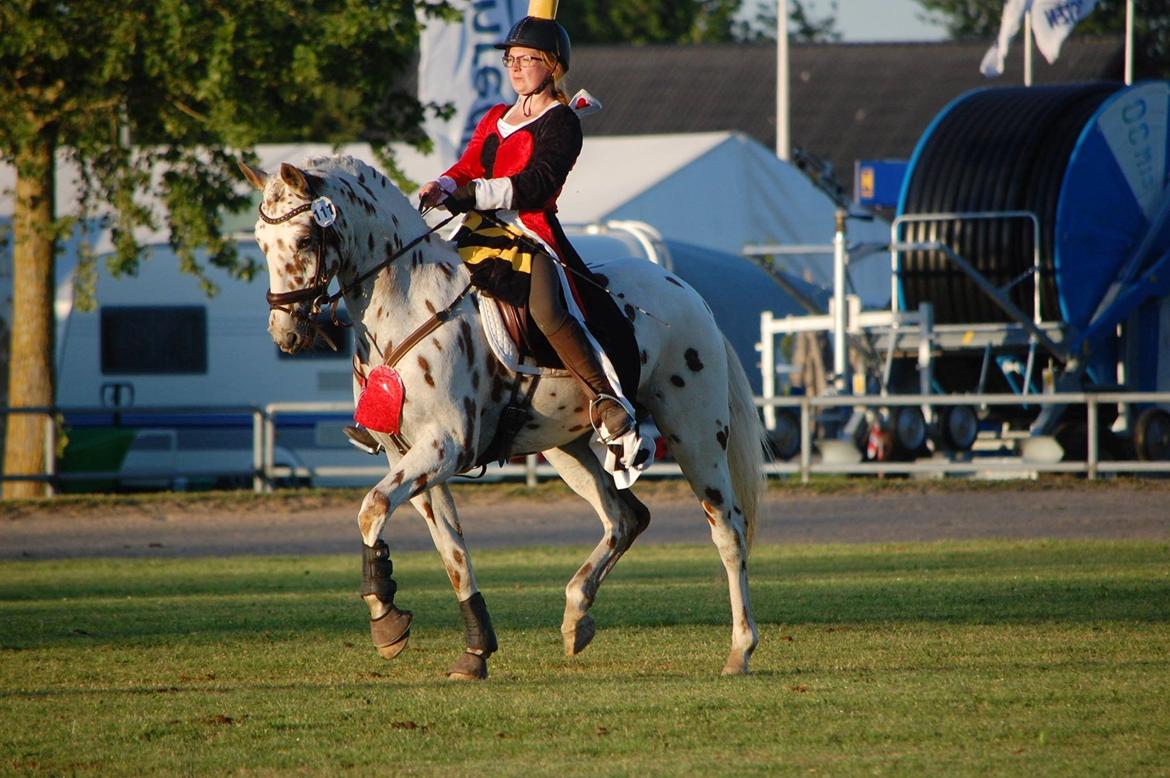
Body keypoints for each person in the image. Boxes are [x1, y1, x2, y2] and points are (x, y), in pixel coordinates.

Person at [417, 11, 637, 446]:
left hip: (529, 231)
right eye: (510, 59)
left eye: (525, 58)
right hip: (479, 230)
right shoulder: (497, 115)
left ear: (552, 66)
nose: (514, 67)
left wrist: (475, 194)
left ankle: (605, 399)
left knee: (547, 310)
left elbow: (538, 183)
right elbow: (470, 163)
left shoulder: (562, 122)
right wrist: (443, 184)